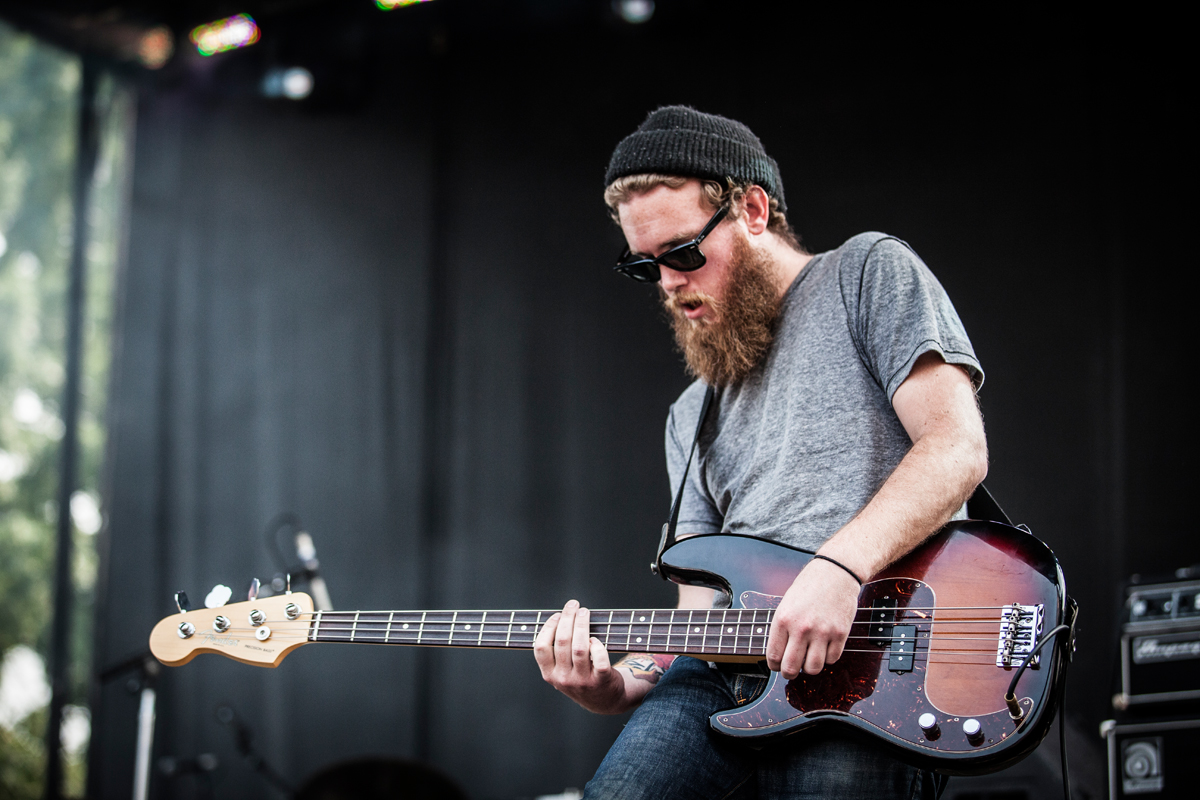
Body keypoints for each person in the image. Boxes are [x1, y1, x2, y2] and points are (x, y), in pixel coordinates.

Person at [533, 106, 988, 799]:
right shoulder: (692, 411)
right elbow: (699, 607)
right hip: (721, 672)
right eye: (645, 266)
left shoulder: (865, 273)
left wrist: (838, 568)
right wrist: (620, 684)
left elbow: (957, 448)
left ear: (751, 208)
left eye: (683, 253)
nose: (669, 284)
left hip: (876, 659)